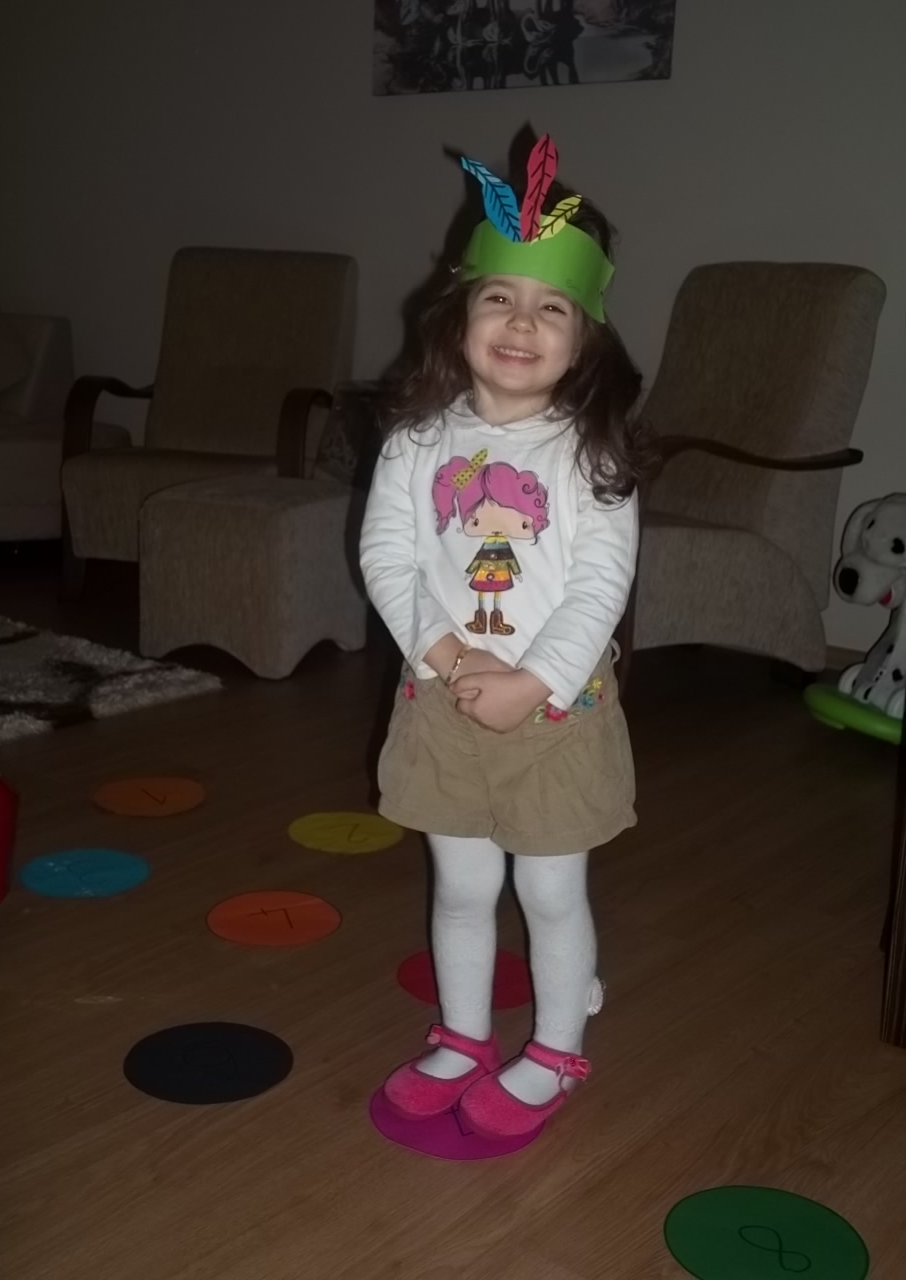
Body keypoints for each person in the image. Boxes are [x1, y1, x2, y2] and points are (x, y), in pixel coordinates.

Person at [359, 134, 653, 1140]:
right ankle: (463, 1035)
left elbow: (601, 585)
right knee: (463, 882)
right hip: (441, 700)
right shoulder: (416, 438)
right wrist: (448, 658)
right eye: (500, 297)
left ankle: (559, 1047)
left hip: (556, 715)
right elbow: (388, 558)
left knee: (551, 888)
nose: (522, 322)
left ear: (586, 340)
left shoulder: (590, 450)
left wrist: (533, 682)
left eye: (552, 307)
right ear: (460, 314)